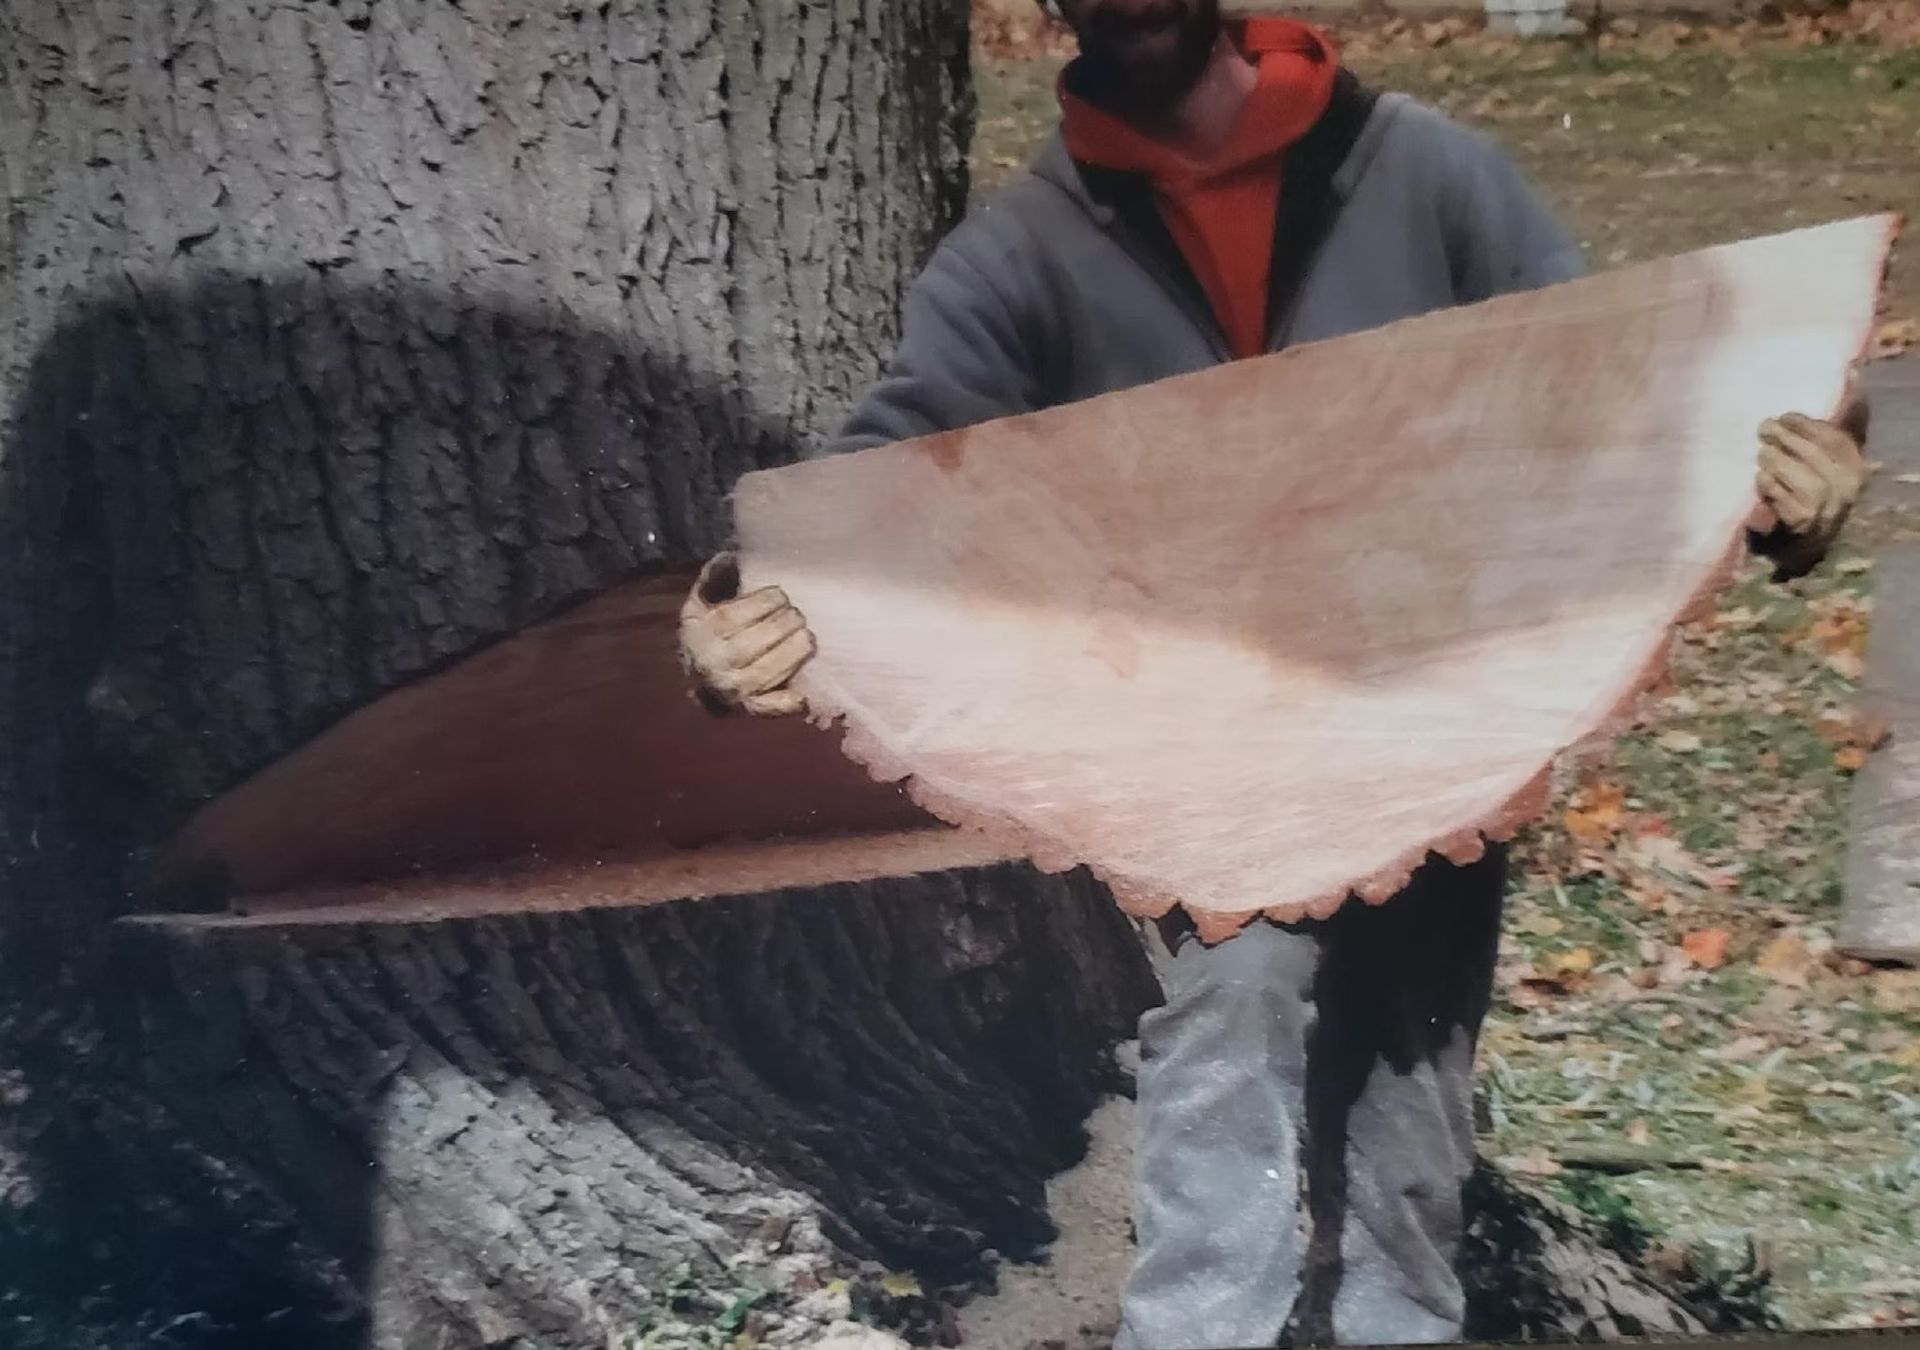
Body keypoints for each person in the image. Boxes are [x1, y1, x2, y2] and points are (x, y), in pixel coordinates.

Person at [677, 2, 1872, 1344]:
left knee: (1412, 1089)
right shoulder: (1025, 252)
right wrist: (737, 609)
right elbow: (881, 478)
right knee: (1229, 1031)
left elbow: (1618, 378)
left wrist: (1792, 488)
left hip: (1436, 719)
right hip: (1206, 749)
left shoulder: (1430, 175)